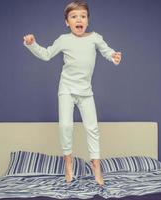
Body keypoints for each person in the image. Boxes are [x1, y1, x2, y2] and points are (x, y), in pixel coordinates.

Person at [23, 0, 121, 186]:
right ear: (67, 22)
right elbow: (46, 54)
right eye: (74, 16)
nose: (79, 19)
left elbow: (107, 51)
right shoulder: (63, 40)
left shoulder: (95, 38)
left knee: (92, 128)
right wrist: (32, 44)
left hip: (86, 92)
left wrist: (113, 56)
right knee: (66, 126)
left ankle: (96, 166)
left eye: (83, 16)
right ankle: (68, 161)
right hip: (66, 89)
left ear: (87, 20)